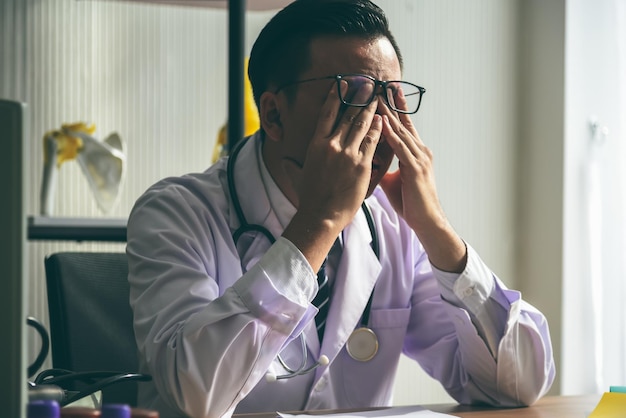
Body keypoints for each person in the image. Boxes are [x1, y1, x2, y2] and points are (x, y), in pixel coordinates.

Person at [126, 1, 556, 417]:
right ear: (273, 116)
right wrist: (319, 223)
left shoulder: (394, 226)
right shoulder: (175, 214)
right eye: (354, 98)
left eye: (391, 99)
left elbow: (517, 386)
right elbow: (196, 395)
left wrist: (437, 229)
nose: (377, 126)